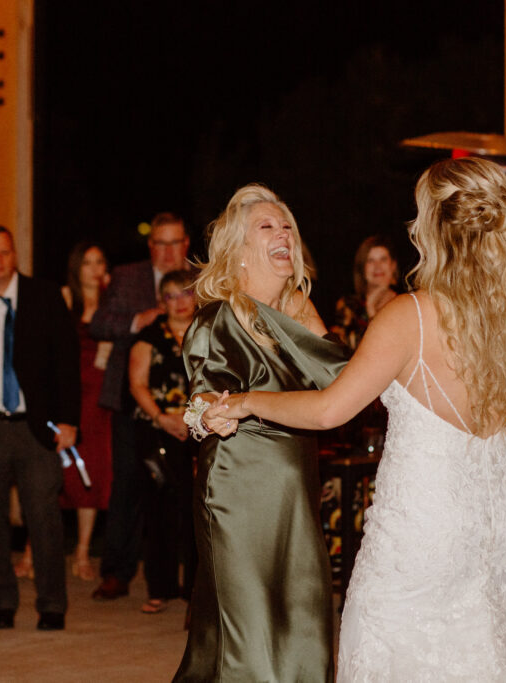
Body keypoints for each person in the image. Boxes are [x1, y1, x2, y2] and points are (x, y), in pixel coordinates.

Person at [209, 158, 506, 680]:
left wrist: (248, 401)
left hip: (425, 518)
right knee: (480, 649)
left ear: (433, 223)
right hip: (496, 511)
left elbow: (329, 409)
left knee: (396, 650)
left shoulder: (410, 315)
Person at [173, 184, 349, 681]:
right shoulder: (216, 319)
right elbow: (205, 393)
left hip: (295, 492)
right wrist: (208, 413)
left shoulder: (300, 313)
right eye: (267, 227)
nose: (283, 235)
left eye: (287, 226)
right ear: (239, 250)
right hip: (237, 491)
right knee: (245, 633)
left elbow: (343, 385)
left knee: (305, 621)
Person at [0, 225, 80, 632]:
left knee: (44, 517)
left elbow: (67, 361)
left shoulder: (44, 296)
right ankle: (0, 603)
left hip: (38, 425)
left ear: (14, 256)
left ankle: (52, 605)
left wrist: (69, 420)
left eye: (4, 252)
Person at [89, 212, 190, 601]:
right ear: (151, 247)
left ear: (185, 245)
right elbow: (98, 322)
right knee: (128, 486)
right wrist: (137, 320)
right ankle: (117, 572)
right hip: (134, 403)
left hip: (192, 408)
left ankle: (184, 580)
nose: (168, 251)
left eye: (175, 243)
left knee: (186, 495)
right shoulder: (128, 276)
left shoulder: (202, 280)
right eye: (160, 244)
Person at [16, 243, 114, 582]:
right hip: (64, 394)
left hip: (98, 398)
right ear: (76, 267)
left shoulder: (112, 304)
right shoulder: (61, 297)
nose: (94, 268)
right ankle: (31, 550)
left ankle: (83, 551)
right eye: (87, 262)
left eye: (99, 261)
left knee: (92, 474)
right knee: (50, 473)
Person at [128, 269, 198, 615]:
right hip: (157, 428)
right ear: (161, 301)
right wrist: (162, 418)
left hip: (202, 429)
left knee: (197, 510)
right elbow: (137, 384)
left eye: (185, 293)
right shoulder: (148, 337)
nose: (179, 301)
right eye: (171, 295)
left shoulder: (210, 333)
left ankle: (196, 590)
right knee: (159, 511)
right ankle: (160, 587)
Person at [331, 234, 399, 349]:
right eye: (370, 261)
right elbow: (340, 352)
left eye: (383, 259)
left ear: (393, 265)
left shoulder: (405, 304)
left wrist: (372, 311)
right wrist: (370, 306)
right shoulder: (348, 305)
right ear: (362, 268)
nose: (378, 266)